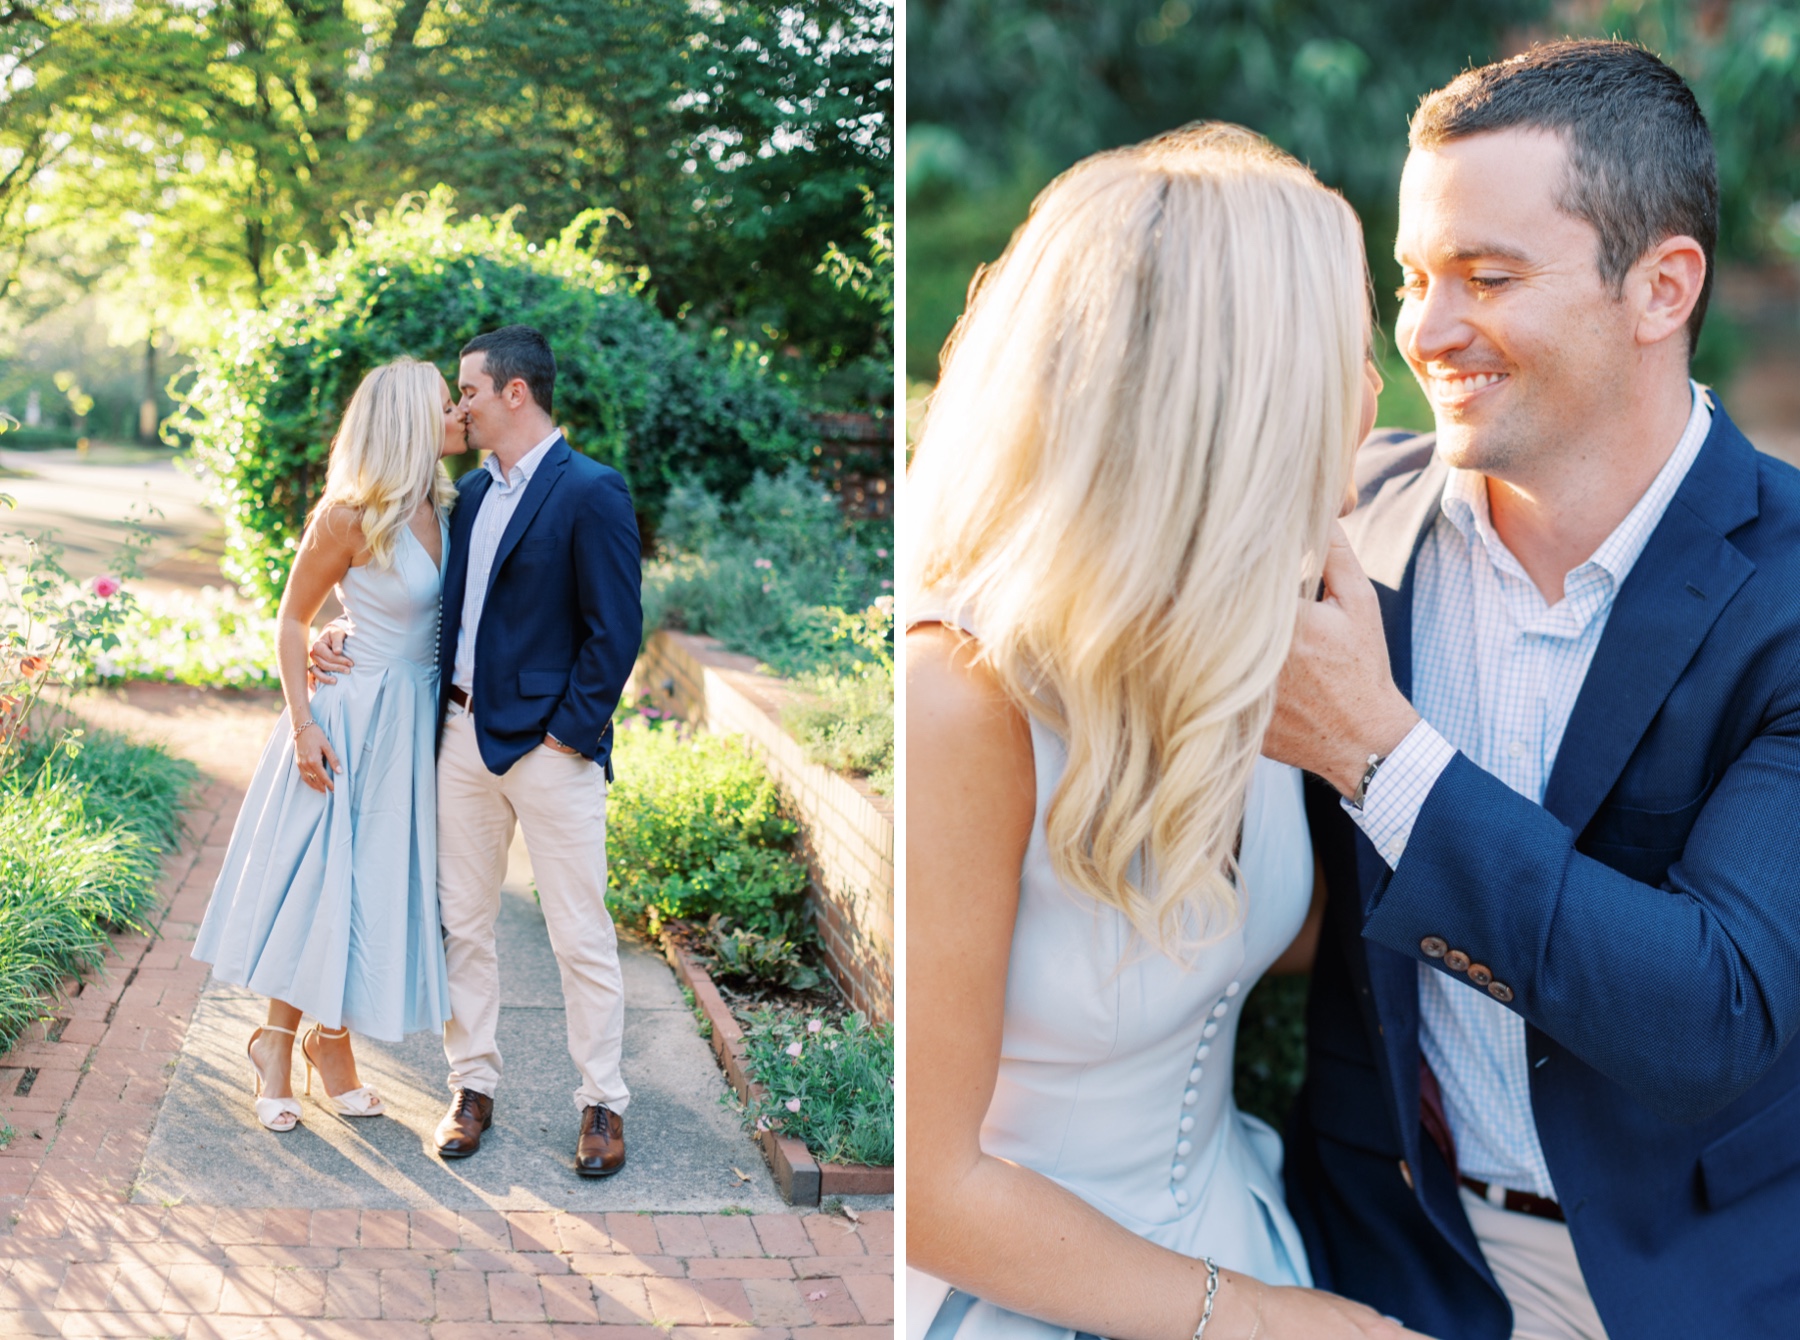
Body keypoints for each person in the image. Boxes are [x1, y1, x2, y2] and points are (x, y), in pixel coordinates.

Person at [1266, 40, 1800, 1340]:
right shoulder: (1336, 535)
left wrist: (1381, 759)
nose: (1427, 331)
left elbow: (1716, 1007)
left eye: (1488, 278)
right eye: (1414, 278)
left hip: (1704, 1276)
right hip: (1381, 1259)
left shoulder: (1789, 592)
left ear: (1661, 285)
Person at [907, 124, 1425, 1340]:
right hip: (1028, 1291)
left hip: (1242, 1229)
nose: (1372, 391)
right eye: (1342, 351)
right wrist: (1277, 1320)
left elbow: (1273, 935)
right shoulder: (964, 694)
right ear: (1235, 396)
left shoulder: (1265, 642)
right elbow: (932, 1190)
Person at [315, 324, 642, 1176]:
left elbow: (616, 635)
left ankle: (601, 1101)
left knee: (579, 930)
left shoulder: (591, 491)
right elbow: (413, 596)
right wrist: (335, 632)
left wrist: (567, 737)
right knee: (465, 923)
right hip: (456, 739)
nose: (458, 405)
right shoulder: (463, 495)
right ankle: (472, 1086)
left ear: (515, 394)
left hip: (549, 750)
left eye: (468, 390)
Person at [194, 357, 465, 1132]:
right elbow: (291, 621)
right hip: (347, 725)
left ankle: (331, 1041)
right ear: (411, 422)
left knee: (376, 886)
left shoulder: (453, 508)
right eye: (447, 407)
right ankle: (276, 1046)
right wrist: (305, 720)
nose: (460, 418)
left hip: (416, 725)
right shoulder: (347, 515)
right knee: (325, 882)